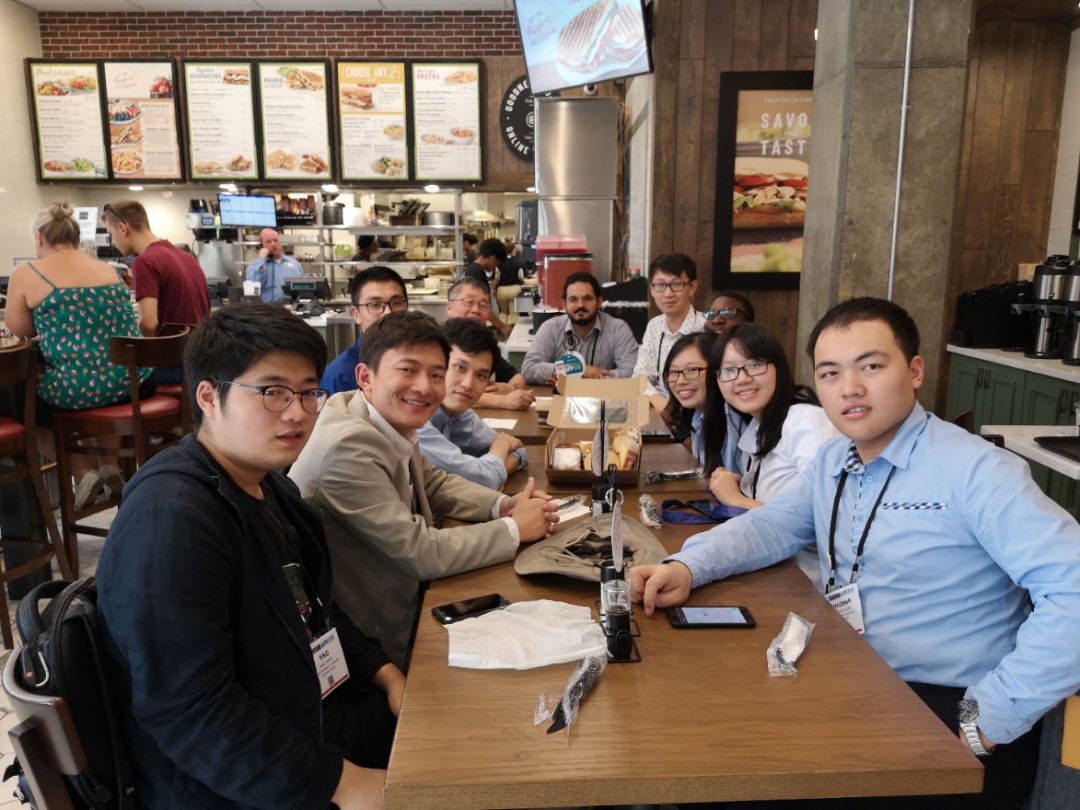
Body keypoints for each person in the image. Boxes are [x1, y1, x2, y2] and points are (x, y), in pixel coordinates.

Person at [630, 297, 1080, 810]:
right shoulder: (834, 460)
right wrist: (688, 565)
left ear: (914, 371)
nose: (850, 388)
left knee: (728, 781)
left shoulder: (975, 470)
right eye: (830, 373)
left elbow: (1073, 592)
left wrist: (989, 718)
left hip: (945, 709)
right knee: (693, 737)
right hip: (852, 679)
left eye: (871, 366)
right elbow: (773, 525)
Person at [97, 303, 404, 810]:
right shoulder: (172, 519)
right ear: (208, 396)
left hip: (312, 721)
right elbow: (191, 711)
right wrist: (343, 784)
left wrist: (385, 672)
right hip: (236, 785)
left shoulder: (269, 487)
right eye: (272, 392)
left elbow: (315, 610)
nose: (297, 412)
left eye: (308, 392)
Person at [289, 310, 558, 667]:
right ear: (365, 377)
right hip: (372, 644)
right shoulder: (346, 446)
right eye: (407, 370)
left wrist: (503, 505)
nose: (424, 387)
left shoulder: (380, 414)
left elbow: (434, 482)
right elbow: (420, 552)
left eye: (435, 374)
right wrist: (515, 528)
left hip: (409, 603)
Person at [5, 202, 153, 506]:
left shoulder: (27, 272)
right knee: (100, 375)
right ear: (76, 237)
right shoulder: (110, 271)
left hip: (76, 390)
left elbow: (20, 329)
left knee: (21, 403)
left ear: (40, 238)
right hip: (133, 382)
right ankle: (109, 465)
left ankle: (82, 472)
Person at [703, 322, 837, 511]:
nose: (742, 379)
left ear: (778, 367)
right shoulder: (756, 430)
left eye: (754, 365)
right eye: (729, 370)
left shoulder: (805, 420)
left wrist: (735, 499)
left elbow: (827, 515)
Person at [417, 318, 528, 489]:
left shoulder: (459, 414)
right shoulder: (416, 419)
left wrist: (490, 472)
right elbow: (486, 478)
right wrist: (501, 446)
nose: (468, 384)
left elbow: (519, 452)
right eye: (460, 368)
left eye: (481, 376)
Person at [102, 198, 210, 336]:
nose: (112, 242)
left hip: (172, 349)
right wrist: (139, 285)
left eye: (111, 234)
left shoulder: (145, 262)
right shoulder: (186, 256)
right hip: (199, 345)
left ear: (123, 229)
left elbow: (148, 324)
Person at [522, 272, 639, 385]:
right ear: (564, 304)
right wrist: (578, 370)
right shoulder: (551, 328)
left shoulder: (617, 329)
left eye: (587, 298)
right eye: (573, 299)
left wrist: (581, 380)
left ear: (599, 302)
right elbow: (528, 369)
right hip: (561, 397)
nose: (580, 305)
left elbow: (633, 371)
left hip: (605, 397)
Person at [631, 253, 707, 413]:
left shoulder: (705, 327)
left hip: (698, 414)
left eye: (677, 284)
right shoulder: (654, 326)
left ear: (692, 287)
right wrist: (662, 406)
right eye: (660, 285)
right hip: (660, 411)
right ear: (652, 289)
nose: (668, 294)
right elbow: (640, 376)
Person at [446, 277, 533, 410]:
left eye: (483, 305)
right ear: (449, 307)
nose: (476, 310)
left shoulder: (483, 346)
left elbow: (518, 379)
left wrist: (509, 388)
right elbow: (441, 393)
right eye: (469, 302)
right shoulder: (436, 344)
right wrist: (501, 400)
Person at [322, 266, 409, 396]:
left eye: (396, 303)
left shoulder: (421, 359)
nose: (388, 313)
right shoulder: (340, 379)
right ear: (356, 314)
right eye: (375, 305)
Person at [660, 332, 718, 464]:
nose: (680, 381)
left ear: (717, 370)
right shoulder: (695, 416)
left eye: (692, 370)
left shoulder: (733, 422)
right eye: (674, 372)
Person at [461, 237, 512, 336]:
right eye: (496, 264)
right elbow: (482, 307)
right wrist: (503, 327)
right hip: (473, 329)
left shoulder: (472, 270)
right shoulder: (477, 273)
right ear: (492, 258)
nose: (495, 268)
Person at [246, 227, 304, 303]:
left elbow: (304, 288)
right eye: (268, 241)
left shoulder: (294, 263)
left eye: (275, 240)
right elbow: (252, 290)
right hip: (269, 307)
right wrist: (261, 260)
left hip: (293, 306)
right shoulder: (255, 266)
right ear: (261, 246)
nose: (273, 244)